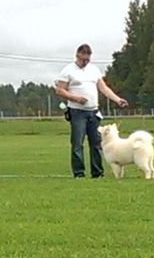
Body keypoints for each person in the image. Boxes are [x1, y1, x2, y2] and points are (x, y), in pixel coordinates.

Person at [55, 44, 129, 178]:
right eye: (83, 60)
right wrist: (75, 98)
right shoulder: (67, 71)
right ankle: (79, 173)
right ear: (77, 56)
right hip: (77, 112)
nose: (85, 62)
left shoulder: (94, 70)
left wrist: (117, 100)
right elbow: (59, 90)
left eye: (87, 60)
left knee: (96, 143)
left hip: (93, 112)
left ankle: (97, 173)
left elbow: (103, 88)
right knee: (77, 143)